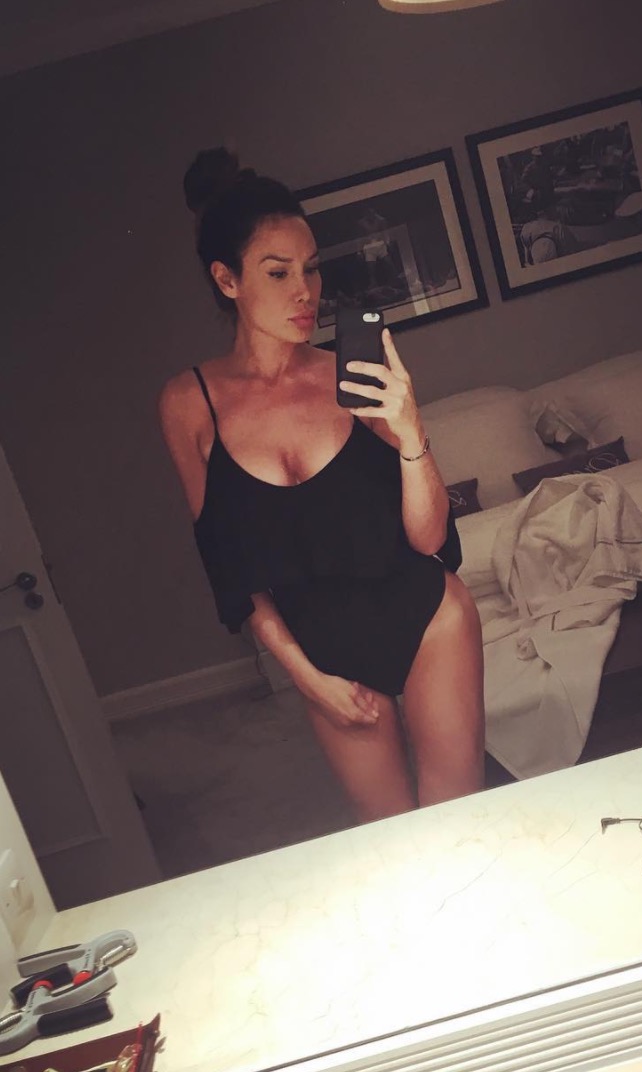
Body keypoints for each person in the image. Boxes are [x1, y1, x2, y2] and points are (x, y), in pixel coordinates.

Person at [159, 148, 485, 823]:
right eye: (278, 272)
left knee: (458, 825)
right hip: (323, 652)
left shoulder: (351, 375)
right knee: (391, 835)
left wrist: (410, 428)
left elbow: (429, 541)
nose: (305, 292)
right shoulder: (189, 404)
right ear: (227, 279)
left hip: (428, 619)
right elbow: (228, 570)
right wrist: (307, 679)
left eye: (311, 268)